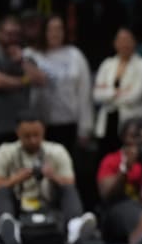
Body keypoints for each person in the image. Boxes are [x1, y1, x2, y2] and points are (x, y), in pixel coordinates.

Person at [0, 16, 46, 243]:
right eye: (7, 33)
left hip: (20, 129)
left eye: (16, 33)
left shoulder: (25, 57)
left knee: (24, 176)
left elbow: (41, 79)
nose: (12, 37)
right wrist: (23, 81)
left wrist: (23, 63)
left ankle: (18, 221)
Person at [0, 111, 96, 244]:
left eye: (36, 135)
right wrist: (15, 179)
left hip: (50, 204)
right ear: (17, 133)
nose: (32, 140)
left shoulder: (57, 151)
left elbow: (70, 184)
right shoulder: (5, 152)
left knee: (68, 189)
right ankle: (8, 226)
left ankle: (74, 226)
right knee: (2, 191)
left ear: (44, 131)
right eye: (27, 136)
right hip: (19, 207)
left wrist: (52, 176)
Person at [24, 15, 94, 153]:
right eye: (50, 29)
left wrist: (85, 128)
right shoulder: (30, 54)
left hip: (68, 123)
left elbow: (84, 93)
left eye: (59, 29)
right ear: (43, 31)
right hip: (38, 124)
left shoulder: (75, 54)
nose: (55, 33)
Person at [93, 28, 142, 158]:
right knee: (107, 159)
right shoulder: (107, 64)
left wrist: (107, 93)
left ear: (134, 42)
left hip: (131, 122)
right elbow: (97, 95)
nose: (124, 44)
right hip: (108, 121)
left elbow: (135, 97)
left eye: (127, 40)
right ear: (115, 43)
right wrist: (119, 92)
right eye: (121, 40)